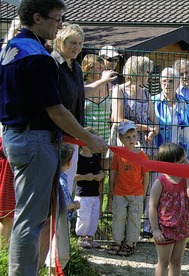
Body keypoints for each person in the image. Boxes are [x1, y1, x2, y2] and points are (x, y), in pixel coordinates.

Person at [0, 0, 108, 273]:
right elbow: (56, 110)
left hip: (19, 137)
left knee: (37, 216)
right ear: (37, 18)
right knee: (31, 220)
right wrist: (87, 138)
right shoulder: (37, 56)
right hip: (35, 141)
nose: (60, 25)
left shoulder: (11, 49)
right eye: (57, 19)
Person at [53, 22, 115, 198]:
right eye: (73, 42)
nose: (77, 47)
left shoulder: (76, 67)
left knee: (68, 183)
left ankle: (66, 220)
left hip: (73, 136)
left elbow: (81, 93)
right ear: (61, 40)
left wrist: (103, 82)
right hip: (55, 136)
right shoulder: (52, 64)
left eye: (80, 43)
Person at [152, 67, 189, 227]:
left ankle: (178, 224)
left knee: (179, 192)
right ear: (160, 82)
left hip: (181, 157)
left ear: (178, 83)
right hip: (160, 156)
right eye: (164, 80)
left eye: (171, 81)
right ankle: (152, 225)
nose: (167, 84)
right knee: (158, 192)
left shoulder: (186, 103)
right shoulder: (153, 102)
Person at [149, 143, 189, 275]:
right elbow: (152, 206)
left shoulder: (184, 179)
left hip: (181, 226)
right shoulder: (160, 182)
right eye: (182, 161)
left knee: (176, 261)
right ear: (170, 164)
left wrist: (188, 172)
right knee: (164, 262)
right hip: (165, 228)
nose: (185, 162)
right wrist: (155, 229)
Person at [108, 121, 150, 257]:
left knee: (134, 218)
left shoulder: (142, 155)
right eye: (127, 137)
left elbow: (146, 174)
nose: (131, 140)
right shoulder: (118, 155)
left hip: (136, 193)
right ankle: (117, 241)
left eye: (134, 136)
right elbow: (113, 172)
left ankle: (130, 243)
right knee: (118, 217)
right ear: (121, 139)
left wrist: (143, 192)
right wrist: (111, 189)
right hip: (120, 192)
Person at [44, 142, 79, 272]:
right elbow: (65, 204)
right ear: (69, 163)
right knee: (59, 253)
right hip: (60, 222)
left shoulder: (51, 177)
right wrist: (75, 205)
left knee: (52, 250)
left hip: (50, 219)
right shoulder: (61, 181)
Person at [74, 127, 105, 249]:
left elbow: (101, 172)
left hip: (94, 194)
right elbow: (75, 176)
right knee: (84, 217)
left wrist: (99, 176)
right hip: (83, 194)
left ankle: (90, 237)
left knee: (93, 217)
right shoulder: (78, 158)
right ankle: (81, 237)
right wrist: (85, 177)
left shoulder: (96, 157)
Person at [82, 54, 112, 142]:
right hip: (87, 136)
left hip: (106, 137)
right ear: (89, 69)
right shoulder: (81, 86)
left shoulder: (109, 86)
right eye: (99, 68)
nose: (103, 71)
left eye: (104, 68)